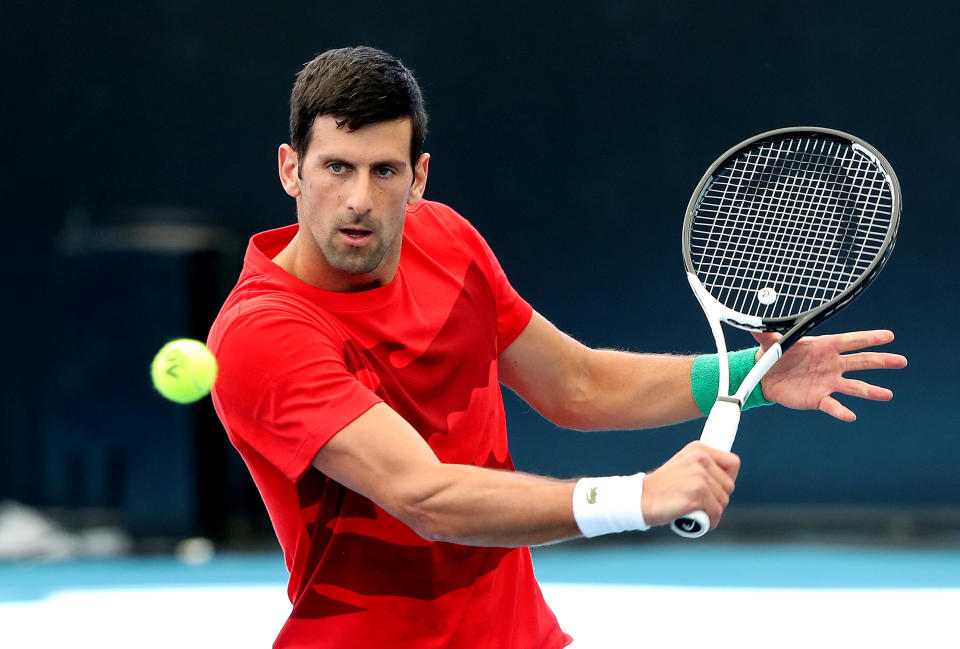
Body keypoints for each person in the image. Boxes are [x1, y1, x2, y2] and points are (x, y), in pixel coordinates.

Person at [207, 46, 907, 649]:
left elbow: (575, 383)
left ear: (418, 177)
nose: (358, 198)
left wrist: (751, 375)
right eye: (336, 168)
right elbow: (425, 496)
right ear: (290, 169)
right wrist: (639, 496)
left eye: (384, 171)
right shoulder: (264, 333)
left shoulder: (446, 240)